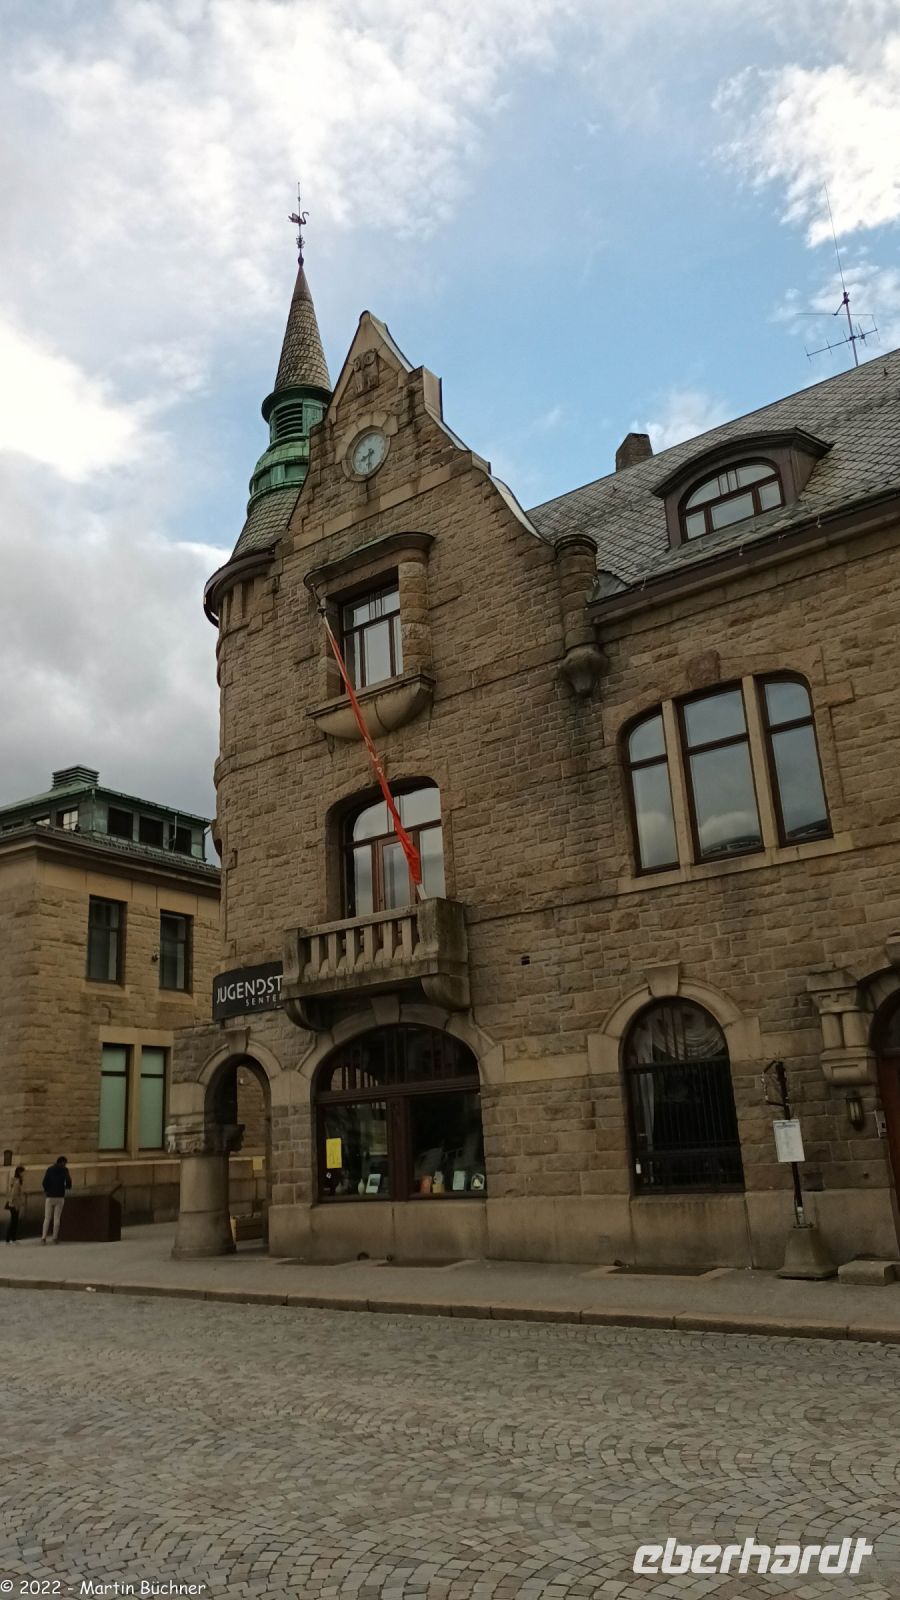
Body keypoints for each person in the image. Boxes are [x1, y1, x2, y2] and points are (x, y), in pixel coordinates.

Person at [41, 1156, 71, 1243]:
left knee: (47, 1217)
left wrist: (47, 1190)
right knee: (57, 1218)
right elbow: (69, 1181)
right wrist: (67, 1187)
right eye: (65, 1163)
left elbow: (44, 1182)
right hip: (60, 1196)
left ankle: (43, 1237)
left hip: (50, 1196)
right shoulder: (65, 1170)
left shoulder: (50, 1169)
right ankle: (55, 1237)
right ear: (63, 1162)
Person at [5, 1166, 25, 1244]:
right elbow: (14, 1194)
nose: (24, 1174)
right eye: (23, 1172)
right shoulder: (17, 1181)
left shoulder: (15, 1180)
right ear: (19, 1172)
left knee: (14, 1221)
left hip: (13, 1203)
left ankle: (10, 1238)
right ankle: (11, 1238)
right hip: (14, 1204)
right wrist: (17, 1204)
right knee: (14, 1221)